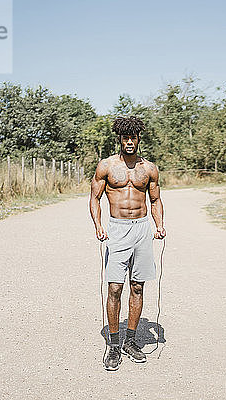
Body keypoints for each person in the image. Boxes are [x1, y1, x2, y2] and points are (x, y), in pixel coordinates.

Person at [89, 116, 166, 371]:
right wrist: (99, 226)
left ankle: (130, 341)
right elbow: (94, 198)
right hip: (118, 230)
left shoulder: (150, 169)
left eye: (133, 137)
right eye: (125, 137)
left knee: (138, 287)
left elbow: (155, 200)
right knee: (114, 288)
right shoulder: (106, 166)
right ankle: (113, 345)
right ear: (119, 139)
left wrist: (159, 225)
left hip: (142, 229)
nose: (129, 141)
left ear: (139, 139)